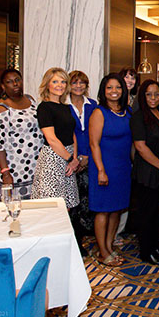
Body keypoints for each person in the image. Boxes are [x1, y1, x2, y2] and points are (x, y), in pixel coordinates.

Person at [88, 73, 133, 266]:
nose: (114, 91)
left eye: (118, 87)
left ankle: (108, 245)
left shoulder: (128, 111)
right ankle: (102, 251)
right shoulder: (99, 112)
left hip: (123, 167)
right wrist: (100, 170)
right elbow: (93, 144)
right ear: (103, 91)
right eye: (109, 88)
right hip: (104, 167)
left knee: (116, 209)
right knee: (103, 210)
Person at [131, 79, 159, 265]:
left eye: (157, 94)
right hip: (148, 173)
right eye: (149, 94)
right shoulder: (138, 117)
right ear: (143, 96)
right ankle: (146, 251)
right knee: (147, 214)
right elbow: (141, 147)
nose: (153, 98)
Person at [0, 69, 44, 199]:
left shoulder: (30, 100)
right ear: (3, 86)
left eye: (17, 80)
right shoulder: (1, 109)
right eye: (10, 82)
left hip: (36, 164)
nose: (15, 84)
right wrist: (5, 173)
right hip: (15, 168)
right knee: (15, 208)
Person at [32, 68, 80, 210]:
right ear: (47, 85)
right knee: (52, 206)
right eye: (55, 81)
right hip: (53, 159)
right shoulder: (44, 108)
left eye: (63, 81)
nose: (60, 85)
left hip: (69, 158)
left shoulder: (65, 108)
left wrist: (74, 158)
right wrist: (70, 159)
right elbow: (51, 139)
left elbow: (72, 134)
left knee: (67, 206)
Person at [68, 70, 97, 253]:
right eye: (75, 83)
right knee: (72, 203)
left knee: (87, 200)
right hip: (69, 159)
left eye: (82, 83)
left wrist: (86, 157)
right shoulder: (63, 106)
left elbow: (95, 132)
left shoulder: (92, 105)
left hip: (90, 159)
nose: (78, 86)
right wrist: (75, 158)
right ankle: (75, 242)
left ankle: (85, 238)